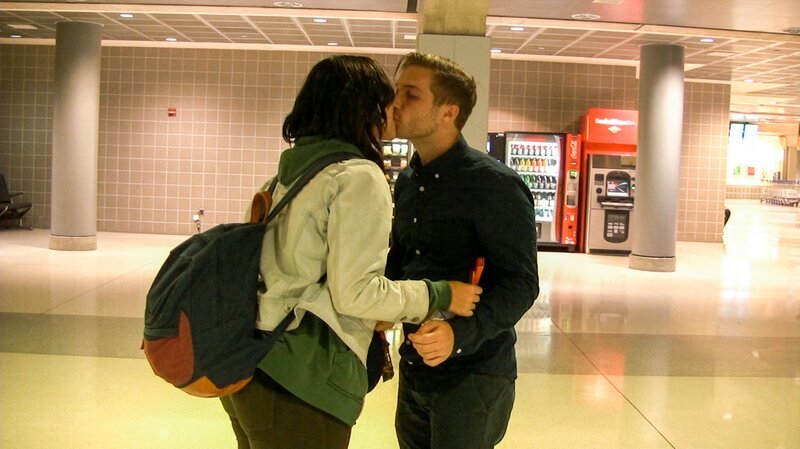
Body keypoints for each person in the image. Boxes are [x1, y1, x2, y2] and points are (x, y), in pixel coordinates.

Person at [219, 55, 483, 449]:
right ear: (362, 109)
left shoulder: (288, 174)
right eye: (387, 99)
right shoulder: (357, 176)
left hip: (250, 368)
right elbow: (355, 292)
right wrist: (441, 293)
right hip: (301, 378)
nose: (394, 108)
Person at [387, 52, 540, 449]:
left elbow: (522, 284)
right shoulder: (407, 181)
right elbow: (401, 260)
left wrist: (459, 335)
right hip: (416, 366)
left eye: (411, 95)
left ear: (448, 112)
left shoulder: (494, 186)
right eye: (397, 92)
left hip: (474, 374)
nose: (395, 103)